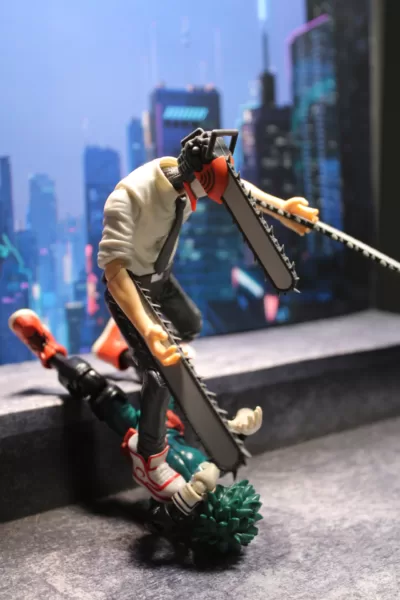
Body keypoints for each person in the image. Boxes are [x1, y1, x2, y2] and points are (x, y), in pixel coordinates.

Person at [97, 129, 319, 502]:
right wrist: (148, 329)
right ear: (196, 173)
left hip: (161, 278)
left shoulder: (191, 181)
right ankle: (148, 456)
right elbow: (114, 272)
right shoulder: (129, 197)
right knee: (160, 374)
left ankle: (119, 346)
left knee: (190, 324)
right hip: (130, 287)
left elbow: (237, 189)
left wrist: (283, 210)